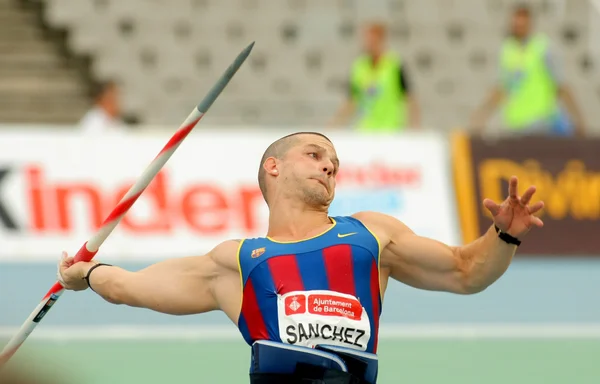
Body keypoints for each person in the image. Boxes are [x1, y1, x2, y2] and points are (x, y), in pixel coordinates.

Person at [58, 132, 544, 383]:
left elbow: (466, 271)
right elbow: (130, 287)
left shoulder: (370, 235)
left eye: (333, 163)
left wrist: (503, 234)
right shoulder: (238, 262)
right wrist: (87, 273)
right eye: (314, 155)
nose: (329, 165)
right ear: (274, 167)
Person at [470, 4, 585, 137]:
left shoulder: (543, 48)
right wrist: (481, 117)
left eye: (522, 23)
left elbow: (561, 87)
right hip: (516, 125)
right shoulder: (507, 50)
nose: (519, 27)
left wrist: (578, 119)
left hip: (542, 122)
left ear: (530, 24)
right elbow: (501, 90)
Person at [329, 22, 421, 133]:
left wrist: (415, 127)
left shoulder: (394, 64)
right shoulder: (359, 66)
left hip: (390, 129)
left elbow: (409, 97)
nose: (369, 44)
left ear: (381, 40)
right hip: (365, 129)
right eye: (367, 40)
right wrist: (334, 125)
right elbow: (352, 100)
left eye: (373, 40)